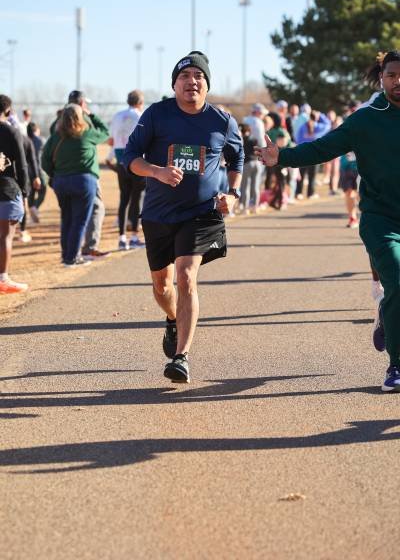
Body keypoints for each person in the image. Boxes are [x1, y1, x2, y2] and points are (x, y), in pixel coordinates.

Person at [257, 50, 400, 393]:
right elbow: (323, 148)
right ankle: (396, 365)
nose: (398, 81)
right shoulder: (366, 119)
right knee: (397, 279)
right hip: (381, 219)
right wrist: (282, 157)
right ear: (382, 78)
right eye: (392, 75)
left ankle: (388, 312)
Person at [123, 51, 244, 383]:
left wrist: (233, 194)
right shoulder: (157, 115)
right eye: (185, 76)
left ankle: (181, 357)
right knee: (162, 286)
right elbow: (130, 157)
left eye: (199, 76)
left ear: (207, 84)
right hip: (159, 213)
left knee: (186, 276)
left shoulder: (222, 121)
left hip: (201, 212)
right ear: (174, 84)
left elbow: (237, 158)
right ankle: (173, 318)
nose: (192, 81)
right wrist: (157, 171)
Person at [42, 103, 109, 267]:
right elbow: (105, 133)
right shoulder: (87, 134)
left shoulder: (55, 137)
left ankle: (66, 255)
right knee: (79, 221)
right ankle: (72, 258)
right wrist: (91, 115)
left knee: (66, 219)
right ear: (81, 117)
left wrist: (55, 175)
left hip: (61, 182)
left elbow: (44, 160)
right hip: (84, 182)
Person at [65, 90, 109, 260]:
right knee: (97, 208)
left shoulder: (60, 121)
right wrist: (91, 115)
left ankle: (70, 251)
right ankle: (89, 247)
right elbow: (104, 133)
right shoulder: (84, 121)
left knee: (71, 212)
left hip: (64, 175)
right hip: (86, 174)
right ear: (82, 103)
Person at [109, 90, 146, 250]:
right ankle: (134, 237)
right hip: (137, 160)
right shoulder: (141, 116)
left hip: (121, 159)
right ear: (140, 102)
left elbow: (112, 140)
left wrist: (111, 156)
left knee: (124, 199)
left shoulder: (117, 116)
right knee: (137, 198)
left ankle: (122, 238)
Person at [0, 94, 29, 293]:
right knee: (5, 236)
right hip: (7, 188)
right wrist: (25, 193)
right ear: (8, 111)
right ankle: (3, 278)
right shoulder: (11, 131)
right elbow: (22, 164)